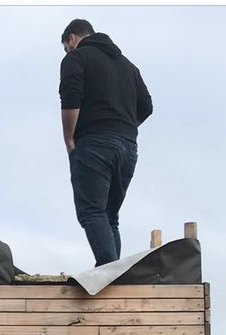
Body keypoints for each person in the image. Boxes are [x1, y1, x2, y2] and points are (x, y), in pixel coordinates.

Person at [59, 19, 153, 266]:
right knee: (110, 216)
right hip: (128, 147)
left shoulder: (76, 58)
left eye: (67, 47)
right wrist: (122, 125)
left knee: (92, 211)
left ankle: (108, 273)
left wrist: (69, 137)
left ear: (71, 39)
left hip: (94, 143)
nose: (68, 51)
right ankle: (114, 272)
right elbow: (146, 106)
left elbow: (71, 97)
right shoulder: (128, 66)